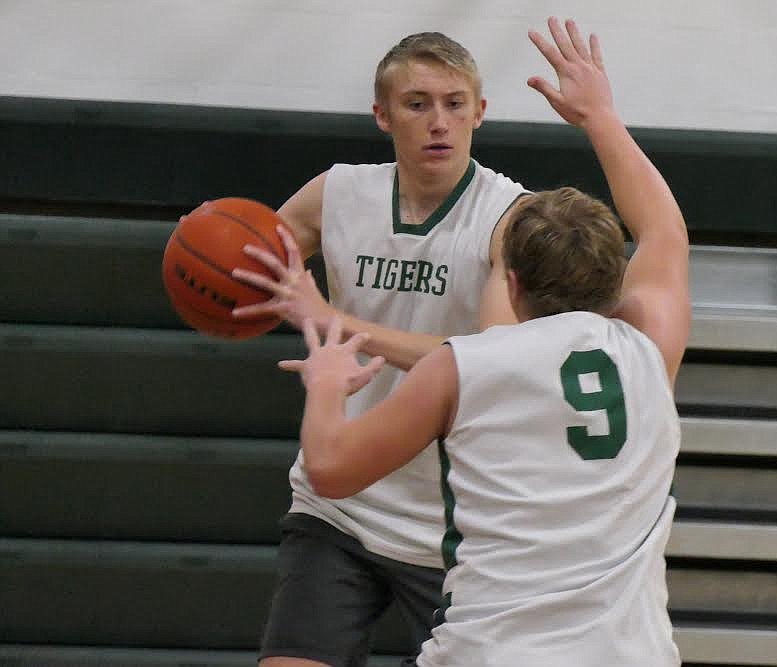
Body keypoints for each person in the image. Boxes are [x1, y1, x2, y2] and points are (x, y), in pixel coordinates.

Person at [278, 16, 690, 667]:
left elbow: (329, 465)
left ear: (512, 279)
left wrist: (328, 379)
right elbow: (664, 230)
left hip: (495, 647)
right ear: (617, 283)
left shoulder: (474, 365)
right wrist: (600, 116)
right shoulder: (649, 351)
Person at [219, 30, 529, 667]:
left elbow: (493, 363)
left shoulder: (508, 218)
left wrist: (334, 319)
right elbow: (245, 275)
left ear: (480, 112)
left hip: (452, 524)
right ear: (382, 115)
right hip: (338, 506)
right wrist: (213, 276)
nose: (439, 122)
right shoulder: (337, 193)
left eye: (454, 103)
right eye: (417, 104)